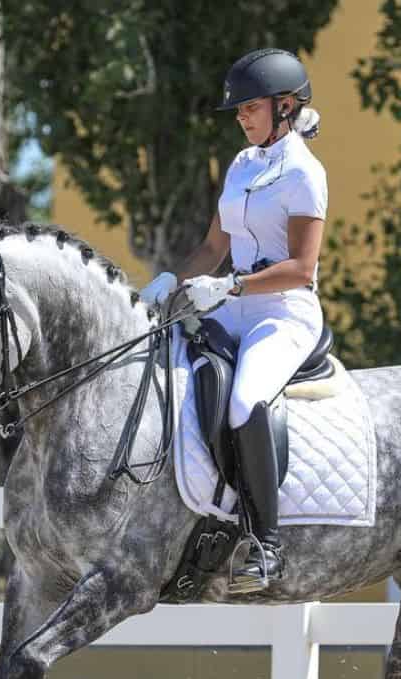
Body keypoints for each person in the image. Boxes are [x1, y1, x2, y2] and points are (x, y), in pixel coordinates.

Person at [139, 48, 327, 594]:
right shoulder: (243, 166)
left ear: (286, 106)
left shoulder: (304, 174)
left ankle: (265, 542)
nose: (242, 118)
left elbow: (300, 268)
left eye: (251, 108)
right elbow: (213, 245)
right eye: (239, 110)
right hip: (232, 302)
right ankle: (202, 527)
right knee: (174, 376)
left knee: (245, 400)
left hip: (284, 311)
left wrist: (232, 286)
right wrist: (171, 280)